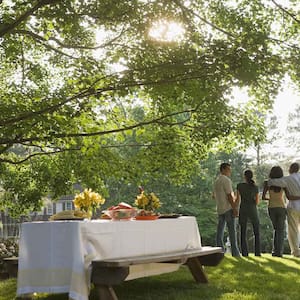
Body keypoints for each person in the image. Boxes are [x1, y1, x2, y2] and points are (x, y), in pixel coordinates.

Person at [267, 162, 300, 257]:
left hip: (293, 207)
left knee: (293, 230)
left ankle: (296, 251)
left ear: (291, 169)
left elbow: (271, 182)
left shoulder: (287, 179)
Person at [213, 162, 240, 257]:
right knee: (232, 231)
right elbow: (229, 195)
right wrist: (234, 207)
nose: (230, 172)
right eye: (228, 169)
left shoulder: (216, 181)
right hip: (227, 208)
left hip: (220, 208)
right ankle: (235, 252)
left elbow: (214, 196)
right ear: (223, 169)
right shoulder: (226, 180)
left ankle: (219, 250)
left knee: (220, 231)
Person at [262, 166, 287, 257]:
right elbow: (288, 196)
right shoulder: (283, 183)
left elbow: (263, 197)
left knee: (276, 229)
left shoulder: (267, 182)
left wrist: (271, 198)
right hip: (281, 207)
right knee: (280, 230)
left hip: (271, 207)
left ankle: (274, 251)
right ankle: (278, 252)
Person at [236, 169, 261, 257]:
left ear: (244, 176)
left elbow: (237, 199)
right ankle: (257, 252)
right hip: (252, 209)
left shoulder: (240, 186)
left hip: (243, 208)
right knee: (256, 231)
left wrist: (235, 209)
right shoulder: (255, 187)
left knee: (243, 231)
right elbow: (257, 201)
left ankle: (244, 252)